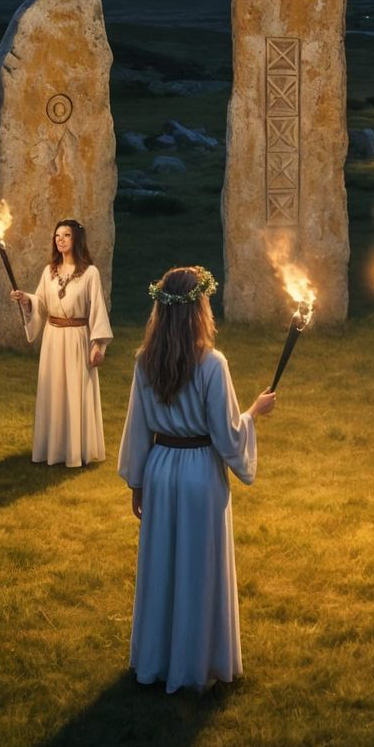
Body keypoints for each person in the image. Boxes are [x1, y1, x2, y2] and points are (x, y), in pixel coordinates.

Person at [116, 265, 276, 692]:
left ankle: (158, 660)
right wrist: (255, 412)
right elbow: (226, 434)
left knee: (164, 566)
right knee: (197, 569)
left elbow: (137, 427)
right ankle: (197, 661)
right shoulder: (212, 363)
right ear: (199, 309)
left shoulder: (144, 360)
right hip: (200, 470)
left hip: (161, 468)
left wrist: (137, 482)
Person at [9, 218, 112, 467]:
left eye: (66, 235)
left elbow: (97, 308)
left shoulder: (90, 273)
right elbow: (42, 304)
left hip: (78, 338)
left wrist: (97, 344)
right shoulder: (49, 271)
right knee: (54, 390)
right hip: (53, 338)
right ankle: (53, 450)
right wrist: (26, 300)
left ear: (76, 239)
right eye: (57, 236)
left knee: (76, 391)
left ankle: (78, 451)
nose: (61, 239)